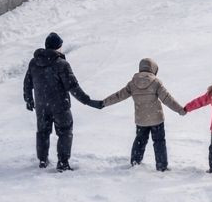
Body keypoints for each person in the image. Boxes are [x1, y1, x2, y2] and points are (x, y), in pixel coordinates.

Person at [22, 32, 101, 172]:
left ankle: (42, 160)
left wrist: (29, 99)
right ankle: (63, 163)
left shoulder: (34, 62)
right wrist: (87, 101)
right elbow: (73, 86)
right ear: (58, 47)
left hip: (42, 107)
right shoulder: (61, 64)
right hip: (60, 106)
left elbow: (27, 83)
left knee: (42, 133)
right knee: (65, 133)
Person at [99, 57, 186, 172]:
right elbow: (167, 99)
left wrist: (103, 103)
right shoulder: (156, 82)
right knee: (159, 142)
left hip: (141, 120)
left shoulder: (132, 84)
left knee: (140, 140)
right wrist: (180, 110)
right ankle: (161, 166)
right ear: (153, 69)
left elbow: (118, 96)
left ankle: (135, 162)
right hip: (157, 120)